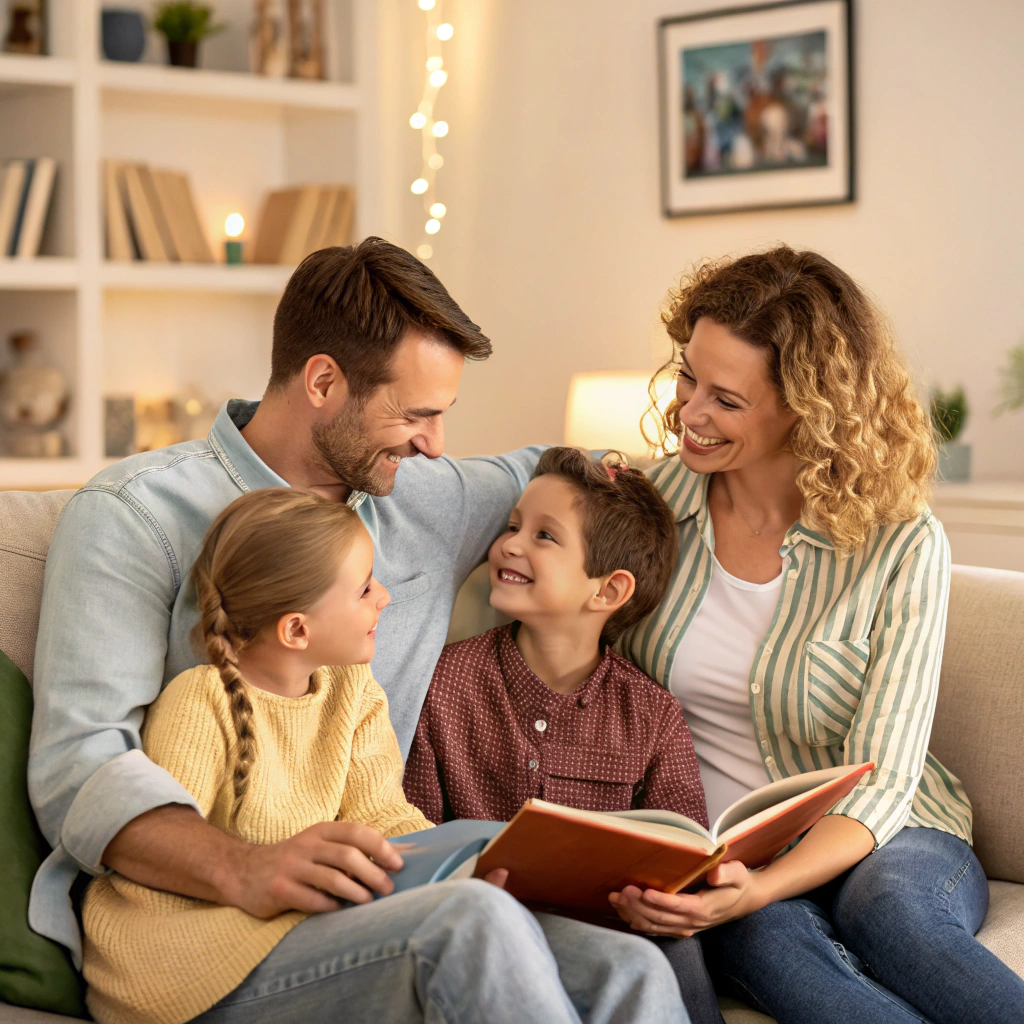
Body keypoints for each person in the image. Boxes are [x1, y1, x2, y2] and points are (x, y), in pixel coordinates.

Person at [30, 240, 689, 1023]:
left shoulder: (421, 496)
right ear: (323, 382)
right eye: (415, 414)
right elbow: (80, 769)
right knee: (469, 925)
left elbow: (575, 476)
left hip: (358, 904)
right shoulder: (135, 515)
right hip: (207, 931)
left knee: (629, 967)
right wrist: (246, 868)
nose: (436, 444)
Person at [607, 246, 1024, 1024]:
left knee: (893, 917)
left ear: (808, 409)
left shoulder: (899, 543)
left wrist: (767, 883)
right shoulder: (645, 508)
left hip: (894, 832)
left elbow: (888, 778)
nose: (688, 411)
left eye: (725, 400)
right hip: (728, 850)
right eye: (688, 376)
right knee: (763, 940)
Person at [404, 446, 723, 1024]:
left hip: (612, 928)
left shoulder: (651, 715)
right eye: (512, 526)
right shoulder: (444, 682)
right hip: (483, 922)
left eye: (545, 536)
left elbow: (685, 852)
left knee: (676, 949)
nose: (510, 544)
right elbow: (412, 831)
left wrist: (667, 898)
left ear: (607, 591)